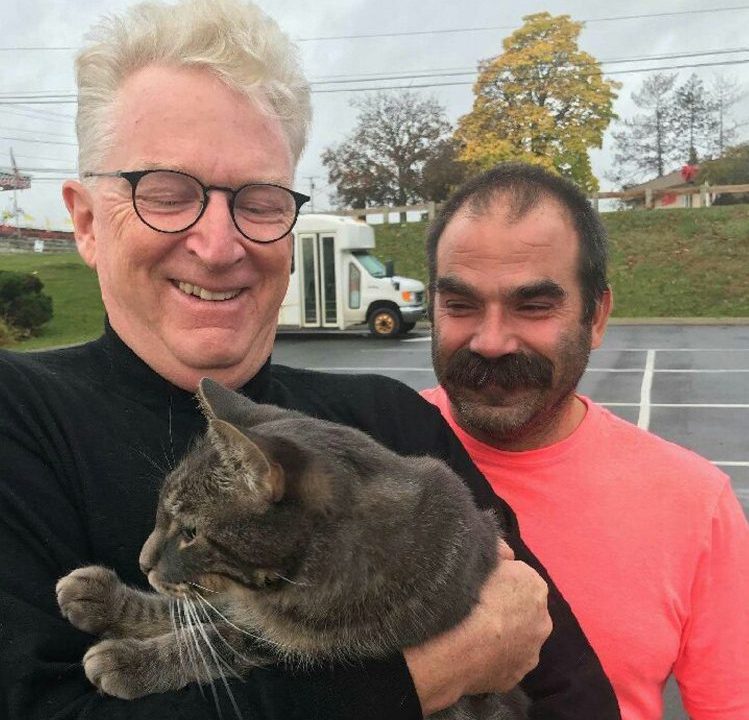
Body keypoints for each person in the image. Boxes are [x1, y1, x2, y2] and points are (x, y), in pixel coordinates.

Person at [0, 3, 622, 719]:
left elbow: (563, 683)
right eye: (165, 194)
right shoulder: (22, 420)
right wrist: (426, 671)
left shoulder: (386, 420)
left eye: (259, 202)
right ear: (84, 221)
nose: (219, 244)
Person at [421, 162, 749, 720]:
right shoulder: (368, 447)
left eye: (533, 306)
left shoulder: (696, 505)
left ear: (596, 316)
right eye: (461, 304)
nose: (491, 340)